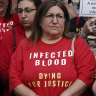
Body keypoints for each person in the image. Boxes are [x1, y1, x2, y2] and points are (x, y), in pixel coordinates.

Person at [9, 0, 95, 96]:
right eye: (50, 16)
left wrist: (66, 95)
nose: (55, 21)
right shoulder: (24, 46)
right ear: (40, 21)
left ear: (65, 22)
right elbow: (14, 78)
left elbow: (87, 74)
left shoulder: (77, 43)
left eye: (60, 17)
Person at [0, 0, 41, 96]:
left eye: (28, 10)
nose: (23, 15)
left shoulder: (47, 34)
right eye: (20, 11)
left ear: (39, 11)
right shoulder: (9, 36)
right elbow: (4, 73)